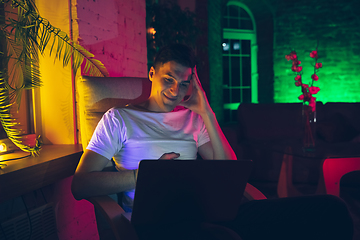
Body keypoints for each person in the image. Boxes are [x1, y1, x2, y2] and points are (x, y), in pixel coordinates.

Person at [72, 44, 354, 240]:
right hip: (158, 223)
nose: (175, 90)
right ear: (152, 74)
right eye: (168, 78)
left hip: (212, 212)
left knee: (331, 210)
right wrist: (141, 176)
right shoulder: (120, 119)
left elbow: (228, 169)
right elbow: (81, 184)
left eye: (184, 83)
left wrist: (206, 111)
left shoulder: (193, 119)